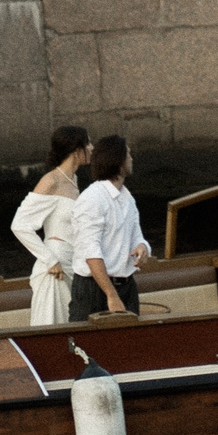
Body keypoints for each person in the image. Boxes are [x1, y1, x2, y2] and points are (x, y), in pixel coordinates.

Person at [11, 125, 90, 329]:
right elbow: (19, 224)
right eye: (88, 144)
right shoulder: (51, 181)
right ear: (76, 150)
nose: (91, 148)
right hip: (55, 269)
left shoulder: (74, 180)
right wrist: (50, 259)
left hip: (73, 264)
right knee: (53, 327)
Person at [67, 134, 149, 322]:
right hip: (93, 289)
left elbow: (137, 236)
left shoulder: (127, 197)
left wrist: (142, 247)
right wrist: (111, 295)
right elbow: (91, 252)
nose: (131, 159)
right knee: (88, 339)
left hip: (126, 285)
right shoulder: (92, 198)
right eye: (128, 154)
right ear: (118, 160)